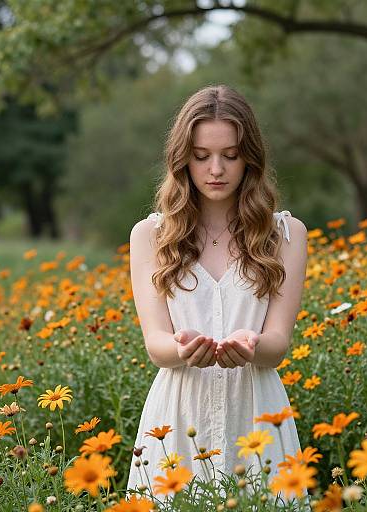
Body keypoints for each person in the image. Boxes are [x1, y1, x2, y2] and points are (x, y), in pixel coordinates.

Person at [126, 84, 310, 509]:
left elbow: (278, 343)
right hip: (176, 419)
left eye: (230, 155)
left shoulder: (285, 234)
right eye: (201, 155)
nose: (215, 169)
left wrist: (251, 346)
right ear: (182, 159)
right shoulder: (151, 236)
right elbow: (155, 343)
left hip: (258, 413)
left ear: (250, 158)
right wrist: (182, 348)